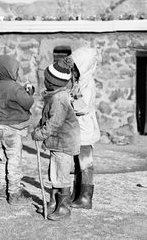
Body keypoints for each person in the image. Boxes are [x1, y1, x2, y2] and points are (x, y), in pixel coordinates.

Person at [31, 57, 80, 221]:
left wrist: (40, 133)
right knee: (54, 173)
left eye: (46, 78)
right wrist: (39, 125)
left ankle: (64, 207)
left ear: (52, 82)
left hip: (64, 142)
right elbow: (47, 117)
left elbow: (54, 123)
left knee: (61, 174)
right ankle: (53, 202)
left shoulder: (59, 99)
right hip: (57, 143)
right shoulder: (55, 95)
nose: (43, 81)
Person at [0, 54, 34, 205]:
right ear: (9, 71)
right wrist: (28, 92)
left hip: (1, 128)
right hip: (13, 130)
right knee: (14, 161)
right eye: (16, 70)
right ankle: (14, 193)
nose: (18, 73)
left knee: (3, 160)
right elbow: (27, 103)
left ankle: (1, 189)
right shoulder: (15, 87)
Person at [69, 47, 100, 209]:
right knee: (78, 164)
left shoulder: (87, 84)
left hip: (85, 131)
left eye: (76, 65)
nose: (73, 69)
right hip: (79, 130)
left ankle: (86, 198)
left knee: (85, 164)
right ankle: (78, 194)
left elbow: (82, 107)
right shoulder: (81, 82)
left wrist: (70, 101)